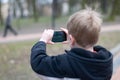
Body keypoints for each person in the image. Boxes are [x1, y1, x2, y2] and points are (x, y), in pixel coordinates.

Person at [30, 8, 113, 80]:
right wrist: (74, 40)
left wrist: (42, 41)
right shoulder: (105, 62)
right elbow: (85, 56)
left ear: (72, 39)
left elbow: (38, 63)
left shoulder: (65, 63)